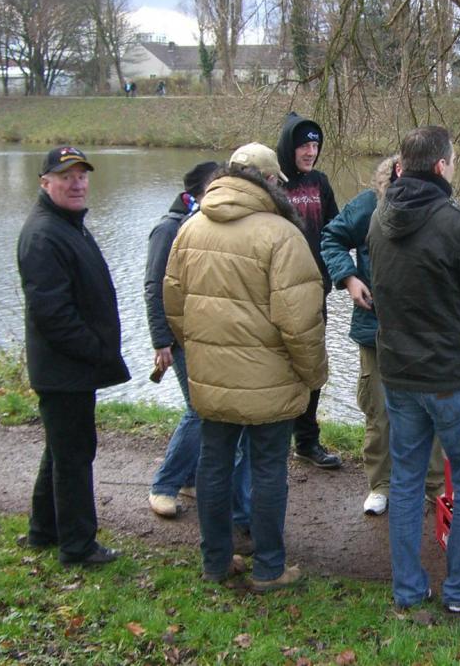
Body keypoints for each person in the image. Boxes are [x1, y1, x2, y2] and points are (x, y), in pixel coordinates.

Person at [367, 125, 460, 614]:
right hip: (452, 376)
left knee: (407, 482)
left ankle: (408, 591)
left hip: (399, 373)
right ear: (440, 166)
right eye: (452, 160)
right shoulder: (455, 222)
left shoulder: (378, 218)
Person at [164, 143, 328, 590]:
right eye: (280, 182)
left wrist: (201, 352)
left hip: (212, 378)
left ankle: (216, 561)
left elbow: (173, 306)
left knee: (214, 466)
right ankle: (269, 568)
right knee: (269, 468)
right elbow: (301, 322)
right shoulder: (282, 235)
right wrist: (313, 375)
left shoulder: (190, 228)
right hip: (269, 381)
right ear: (271, 182)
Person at [16, 145, 130, 566]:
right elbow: (52, 314)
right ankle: (78, 547)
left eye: (82, 175)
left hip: (71, 367)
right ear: (45, 182)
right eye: (66, 176)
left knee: (63, 449)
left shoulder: (68, 225)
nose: (77, 183)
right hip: (64, 369)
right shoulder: (44, 234)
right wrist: (96, 351)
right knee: (75, 455)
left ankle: (43, 531)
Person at [321, 155, 446, 517]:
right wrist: (348, 277)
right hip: (374, 328)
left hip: (423, 332)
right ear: (394, 173)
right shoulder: (369, 204)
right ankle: (381, 484)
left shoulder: (438, 208)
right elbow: (331, 237)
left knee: (431, 409)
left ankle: (434, 484)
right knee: (379, 411)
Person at [145, 160, 255, 552]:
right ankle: (165, 484)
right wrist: (161, 340)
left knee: (208, 412)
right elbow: (153, 286)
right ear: (199, 189)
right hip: (180, 338)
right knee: (199, 410)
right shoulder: (170, 227)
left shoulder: (206, 223)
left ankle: (191, 479)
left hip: (207, 337)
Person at [275, 111, 341, 469]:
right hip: (280, 293)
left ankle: (306, 441)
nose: (310, 151)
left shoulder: (320, 182)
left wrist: (340, 272)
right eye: (303, 144)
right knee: (278, 367)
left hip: (317, 292)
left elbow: (334, 230)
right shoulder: (273, 182)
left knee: (312, 366)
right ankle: (271, 439)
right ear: (289, 146)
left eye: (315, 144)